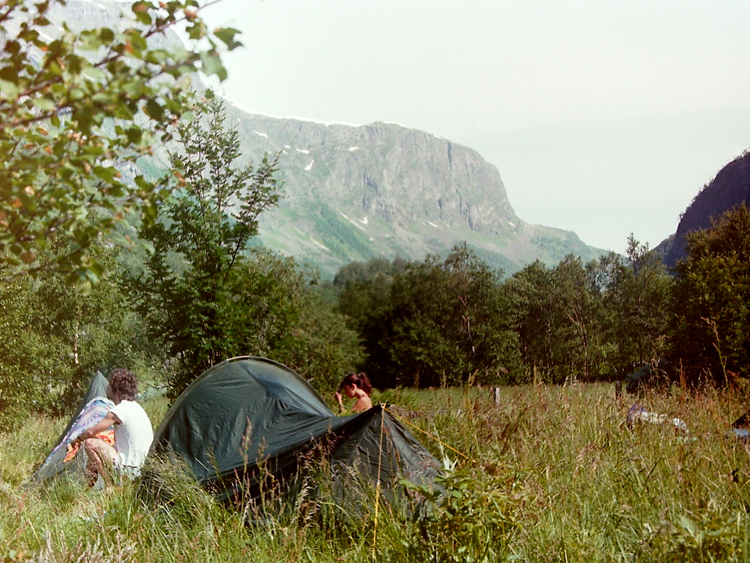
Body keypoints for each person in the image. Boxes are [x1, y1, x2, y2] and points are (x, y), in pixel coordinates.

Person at [72, 368, 154, 486]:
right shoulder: (137, 408)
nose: (106, 388)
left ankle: (110, 486)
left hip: (130, 468)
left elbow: (91, 431)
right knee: (96, 452)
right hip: (143, 467)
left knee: (90, 443)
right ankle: (86, 488)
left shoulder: (119, 410)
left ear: (116, 390)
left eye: (109, 385)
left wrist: (77, 439)